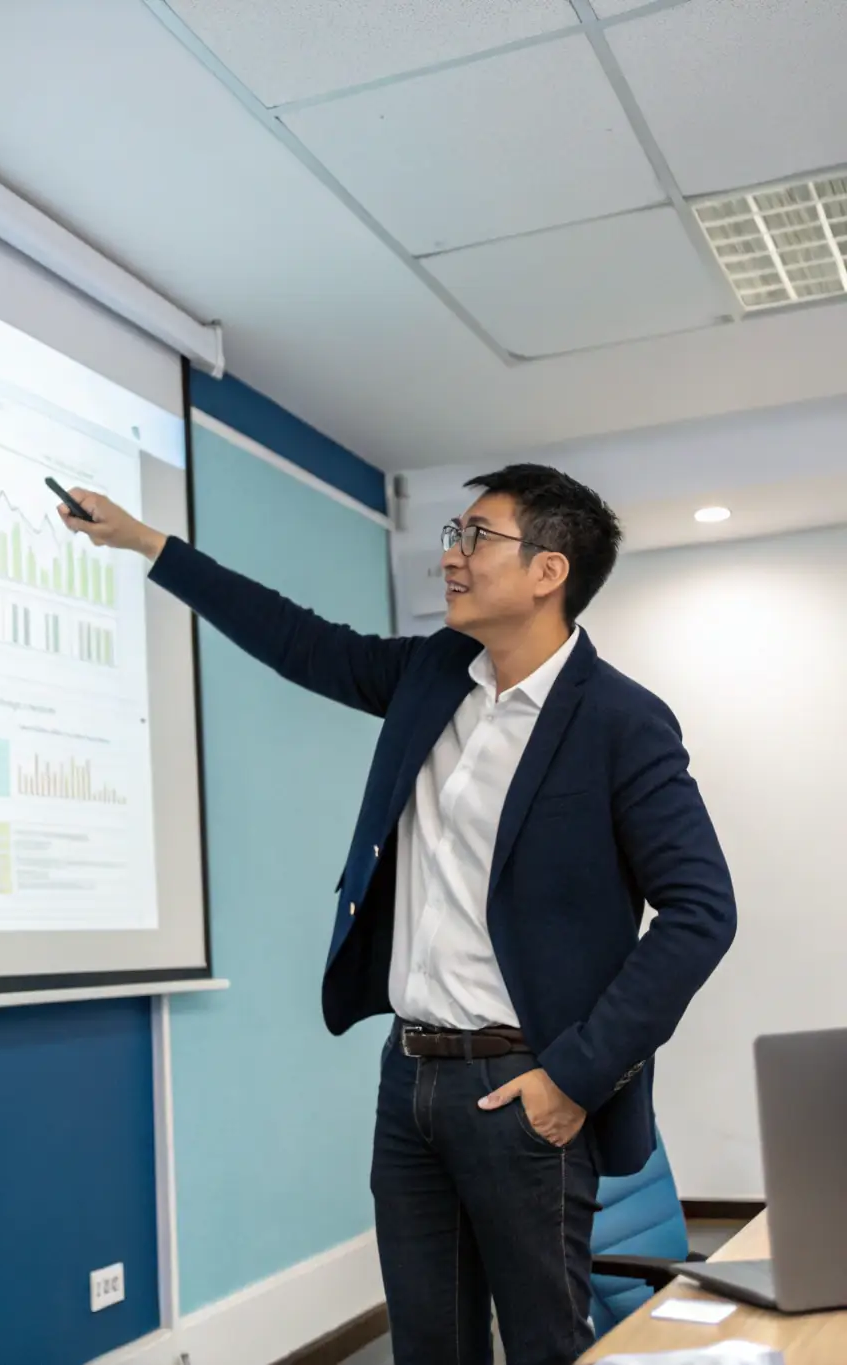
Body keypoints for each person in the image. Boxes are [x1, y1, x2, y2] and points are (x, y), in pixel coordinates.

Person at [57, 463, 736, 1365]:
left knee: (545, 1347)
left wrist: (574, 1073)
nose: (450, 557)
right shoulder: (432, 676)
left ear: (549, 570)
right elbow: (297, 640)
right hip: (409, 1080)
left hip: (524, 1089)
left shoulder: (622, 721)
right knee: (428, 1348)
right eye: (451, 534)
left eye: (475, 537)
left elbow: (702, 911)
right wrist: (148, 544)